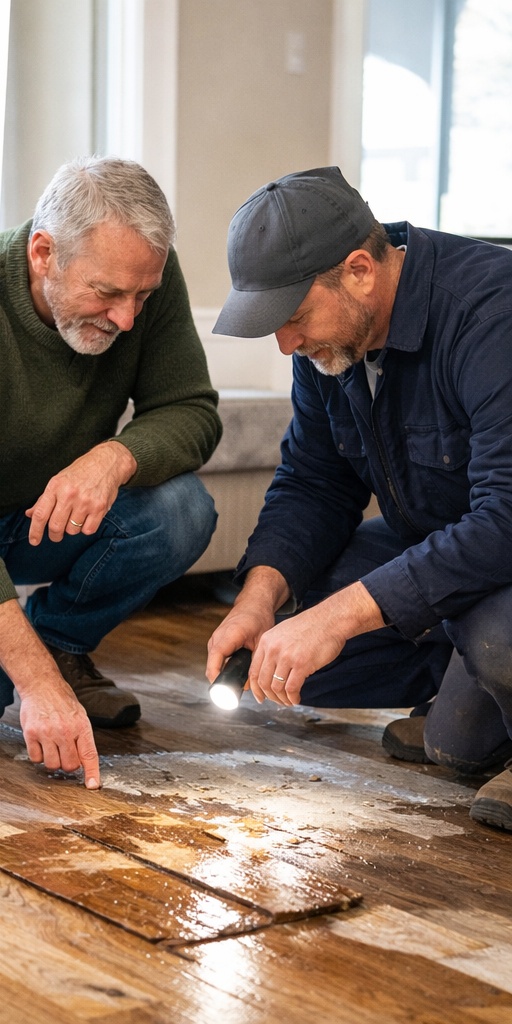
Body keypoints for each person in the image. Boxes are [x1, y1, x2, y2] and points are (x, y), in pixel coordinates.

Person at [206, 165, 512, 834]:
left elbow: (505, 523)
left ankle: (477, 680)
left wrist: (342, 618)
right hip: (439, 548)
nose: (285, 343)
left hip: (502, 552)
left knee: (484, 675)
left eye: (291, 317)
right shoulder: (329, 346)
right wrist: (263, 599)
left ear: (359, 272)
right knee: (281, 662)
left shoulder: (492, 313)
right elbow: (315, 481)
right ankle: (464, 671)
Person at [0, 155, 222, 789]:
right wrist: (32, 685)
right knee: (27, 687)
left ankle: (58, 647)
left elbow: (190, 410)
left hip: (44, 521)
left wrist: (113, 456)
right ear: (43, 254)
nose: (128, 319)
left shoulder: (143, 271)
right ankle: (42, 670)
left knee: (182, 508)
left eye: (141, 296)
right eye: (107, 293)